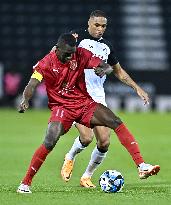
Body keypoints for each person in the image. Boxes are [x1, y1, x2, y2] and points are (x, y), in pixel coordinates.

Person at [16, 33, 159, 194]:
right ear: (57, 49)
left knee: (115, 122)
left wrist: (103, 69)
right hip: (62, 107)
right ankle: (25, 183)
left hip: (83, 102)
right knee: (50, 140)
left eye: (73, 52)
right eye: (67, 53)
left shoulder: (80, 54)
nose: (71, 56)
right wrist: (25, 100)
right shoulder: (46, 63)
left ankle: (141, 165)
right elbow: (32, 84)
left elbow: (106, 65)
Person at [59, 10, 160, 188]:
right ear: (89, 23)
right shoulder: (77, 37)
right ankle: (70, 157)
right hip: (76, 95)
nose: (100, 29)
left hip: (97, 97)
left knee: (104, 141)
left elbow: (119, 72)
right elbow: (57, 52)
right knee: (87, 137)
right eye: (96, 25)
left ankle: (86, 176)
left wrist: (137, 88)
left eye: (103, 26)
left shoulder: (107, 47)